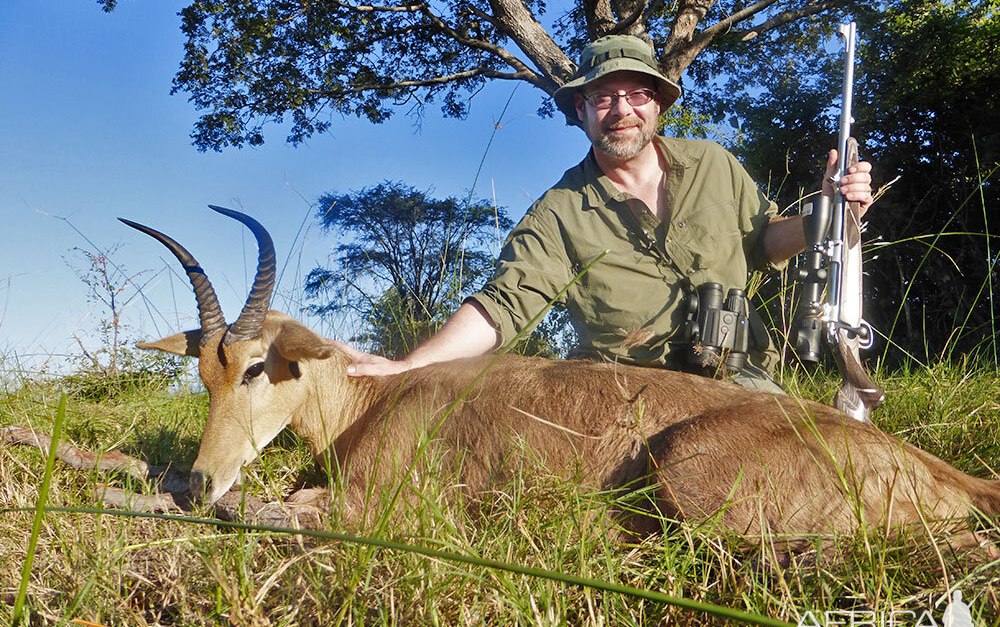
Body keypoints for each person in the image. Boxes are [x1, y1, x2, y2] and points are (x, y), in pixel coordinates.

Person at [337, 35, 873, 391]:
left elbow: (763, 242)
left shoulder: (715, 163)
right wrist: (409, 366)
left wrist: (826, 216)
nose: (621, 111)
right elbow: (504, 305)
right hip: (626, 393)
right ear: (581, 112)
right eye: (602, 98)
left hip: (740, 379)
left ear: (659, 105)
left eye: (637, 94)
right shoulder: (557, 212)